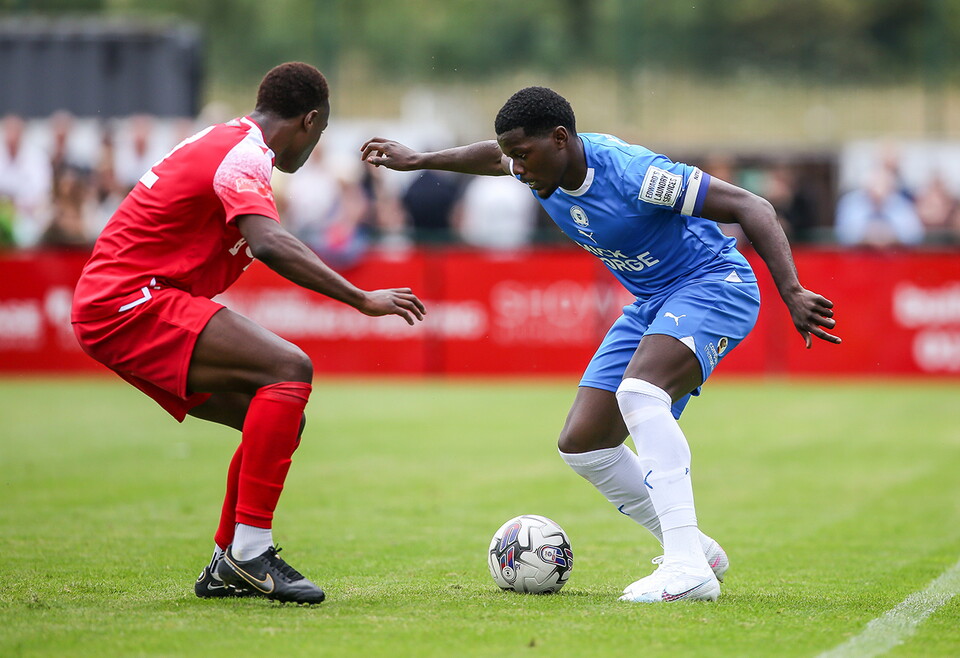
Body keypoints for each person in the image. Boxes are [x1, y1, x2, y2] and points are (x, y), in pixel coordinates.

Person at [361, 86, 840, 603]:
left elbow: (752, 206)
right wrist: (421, 159)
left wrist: (790, 290)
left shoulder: (635, 174)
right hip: (653, 299)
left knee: (639, 394)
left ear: (561, 139)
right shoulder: (539, 164)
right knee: (584, 443)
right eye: (513, 156)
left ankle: (687, 570)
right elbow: (492, 155)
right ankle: (697, 548)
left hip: (714, 283)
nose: (516, 169)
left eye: (523, 156)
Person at [71, 62, 426, 605]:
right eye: (323, 132)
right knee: (289, 368)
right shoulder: (245, 153)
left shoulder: (229, 140)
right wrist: (361, 298)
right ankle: (251, 554)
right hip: (130, 301)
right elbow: (269, 243)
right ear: (309, 121)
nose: (315, 147)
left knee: (278, 415)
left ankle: (227, 560)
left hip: (120, 301)